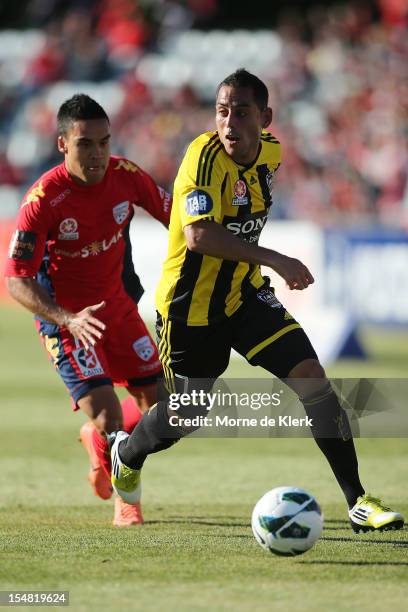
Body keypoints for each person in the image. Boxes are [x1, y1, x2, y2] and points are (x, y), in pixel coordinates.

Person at [109, 69, 403, 533]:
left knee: (313, 379)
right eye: (222, 111)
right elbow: (199, 235)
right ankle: (125, 453)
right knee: (187, 413)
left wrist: (262, 265)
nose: (229, 123)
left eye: (241, 112)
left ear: (264, 117)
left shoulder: (273, 153)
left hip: (245, 295)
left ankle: (358, 501)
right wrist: (277, 259)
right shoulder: (202, 159)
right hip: (190, 308)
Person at [5, 94, 171, 526]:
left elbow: (177, 219)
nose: (97, 153)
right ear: (63, 144)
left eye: (104, 142)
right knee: (111, 417)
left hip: (117, 309)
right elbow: (16, 280)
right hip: (67, 322)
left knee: (163, 408)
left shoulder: (126, 176)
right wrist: (65, 318)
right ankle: (127, 500)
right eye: (85, 144)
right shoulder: (43, 200)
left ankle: (97, 445)